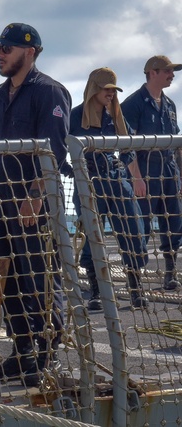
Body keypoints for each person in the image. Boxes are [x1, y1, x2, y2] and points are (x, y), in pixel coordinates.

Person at [0, 23, 71, 388]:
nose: (0, 54)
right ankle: (21, 351)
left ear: (30, 51)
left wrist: (35, 197)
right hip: (2, 205)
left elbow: (53, 149)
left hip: (36, 206)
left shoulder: (50, 93)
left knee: (40, 279)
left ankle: (45, 352)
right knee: (7, 280)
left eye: (6, 48)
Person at [69, 67, 149, 310]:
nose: (112, 94)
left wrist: (121, 166)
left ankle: (135, 288)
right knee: (92, 237)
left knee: (133, 229)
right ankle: (95, 291)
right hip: (88, 183)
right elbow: (62, 150)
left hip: (116, 180)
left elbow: (129, 147)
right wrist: (75, 171)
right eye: (107, 89)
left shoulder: (116, 116)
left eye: (114, 90)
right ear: (94, 89)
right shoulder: (74, 117)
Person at [121, 55, 182, 291]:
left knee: (173, 223)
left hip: (168, 170)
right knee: (140, 227)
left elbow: (176, 143)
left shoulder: (169, 105)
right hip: (144, 169)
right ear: (153, 72)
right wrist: (136, 178)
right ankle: (134, 279)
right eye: (168, 71)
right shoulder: (133, 104)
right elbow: (126, 145)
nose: (172, 75)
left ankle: (170, 272)